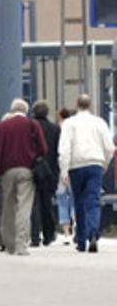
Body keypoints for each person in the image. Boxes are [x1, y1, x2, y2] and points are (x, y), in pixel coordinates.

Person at [0, 99, 47, 256]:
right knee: (24, 208)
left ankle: (10, 245)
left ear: (12, 110)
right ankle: (21, 245)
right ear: (26, 110)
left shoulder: (3, 126)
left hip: (7, 172)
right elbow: (43, 148)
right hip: (26, 170)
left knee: (8, 208)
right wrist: (33, 156)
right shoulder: (32, 125)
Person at [58, 94, 115, 254]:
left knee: (79, 201)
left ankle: (81, 239)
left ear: (77, 106)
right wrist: (104, 164)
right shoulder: (99, 123)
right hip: (95, 164)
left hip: (76, 166)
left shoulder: (69, 123)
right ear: (90, 106)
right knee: (93, 201)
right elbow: (109, 147)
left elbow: (64, 149)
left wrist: (64, 171)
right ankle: (93, 233)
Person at [30, 101, 61, 247]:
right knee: (46, 203)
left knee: (33, 203)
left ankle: (34, 235)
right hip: (50, 171)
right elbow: (58, 151)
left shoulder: (29, 127)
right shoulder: (55, 129)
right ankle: (49, 234)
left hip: (33, 168)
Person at [55, 108, 76, 245]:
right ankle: (77, 229)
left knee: (62, 200)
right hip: (75, 167)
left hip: (61, 167)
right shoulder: (77, 130)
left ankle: (66, 233)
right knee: (76, 199)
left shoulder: (59, 130)